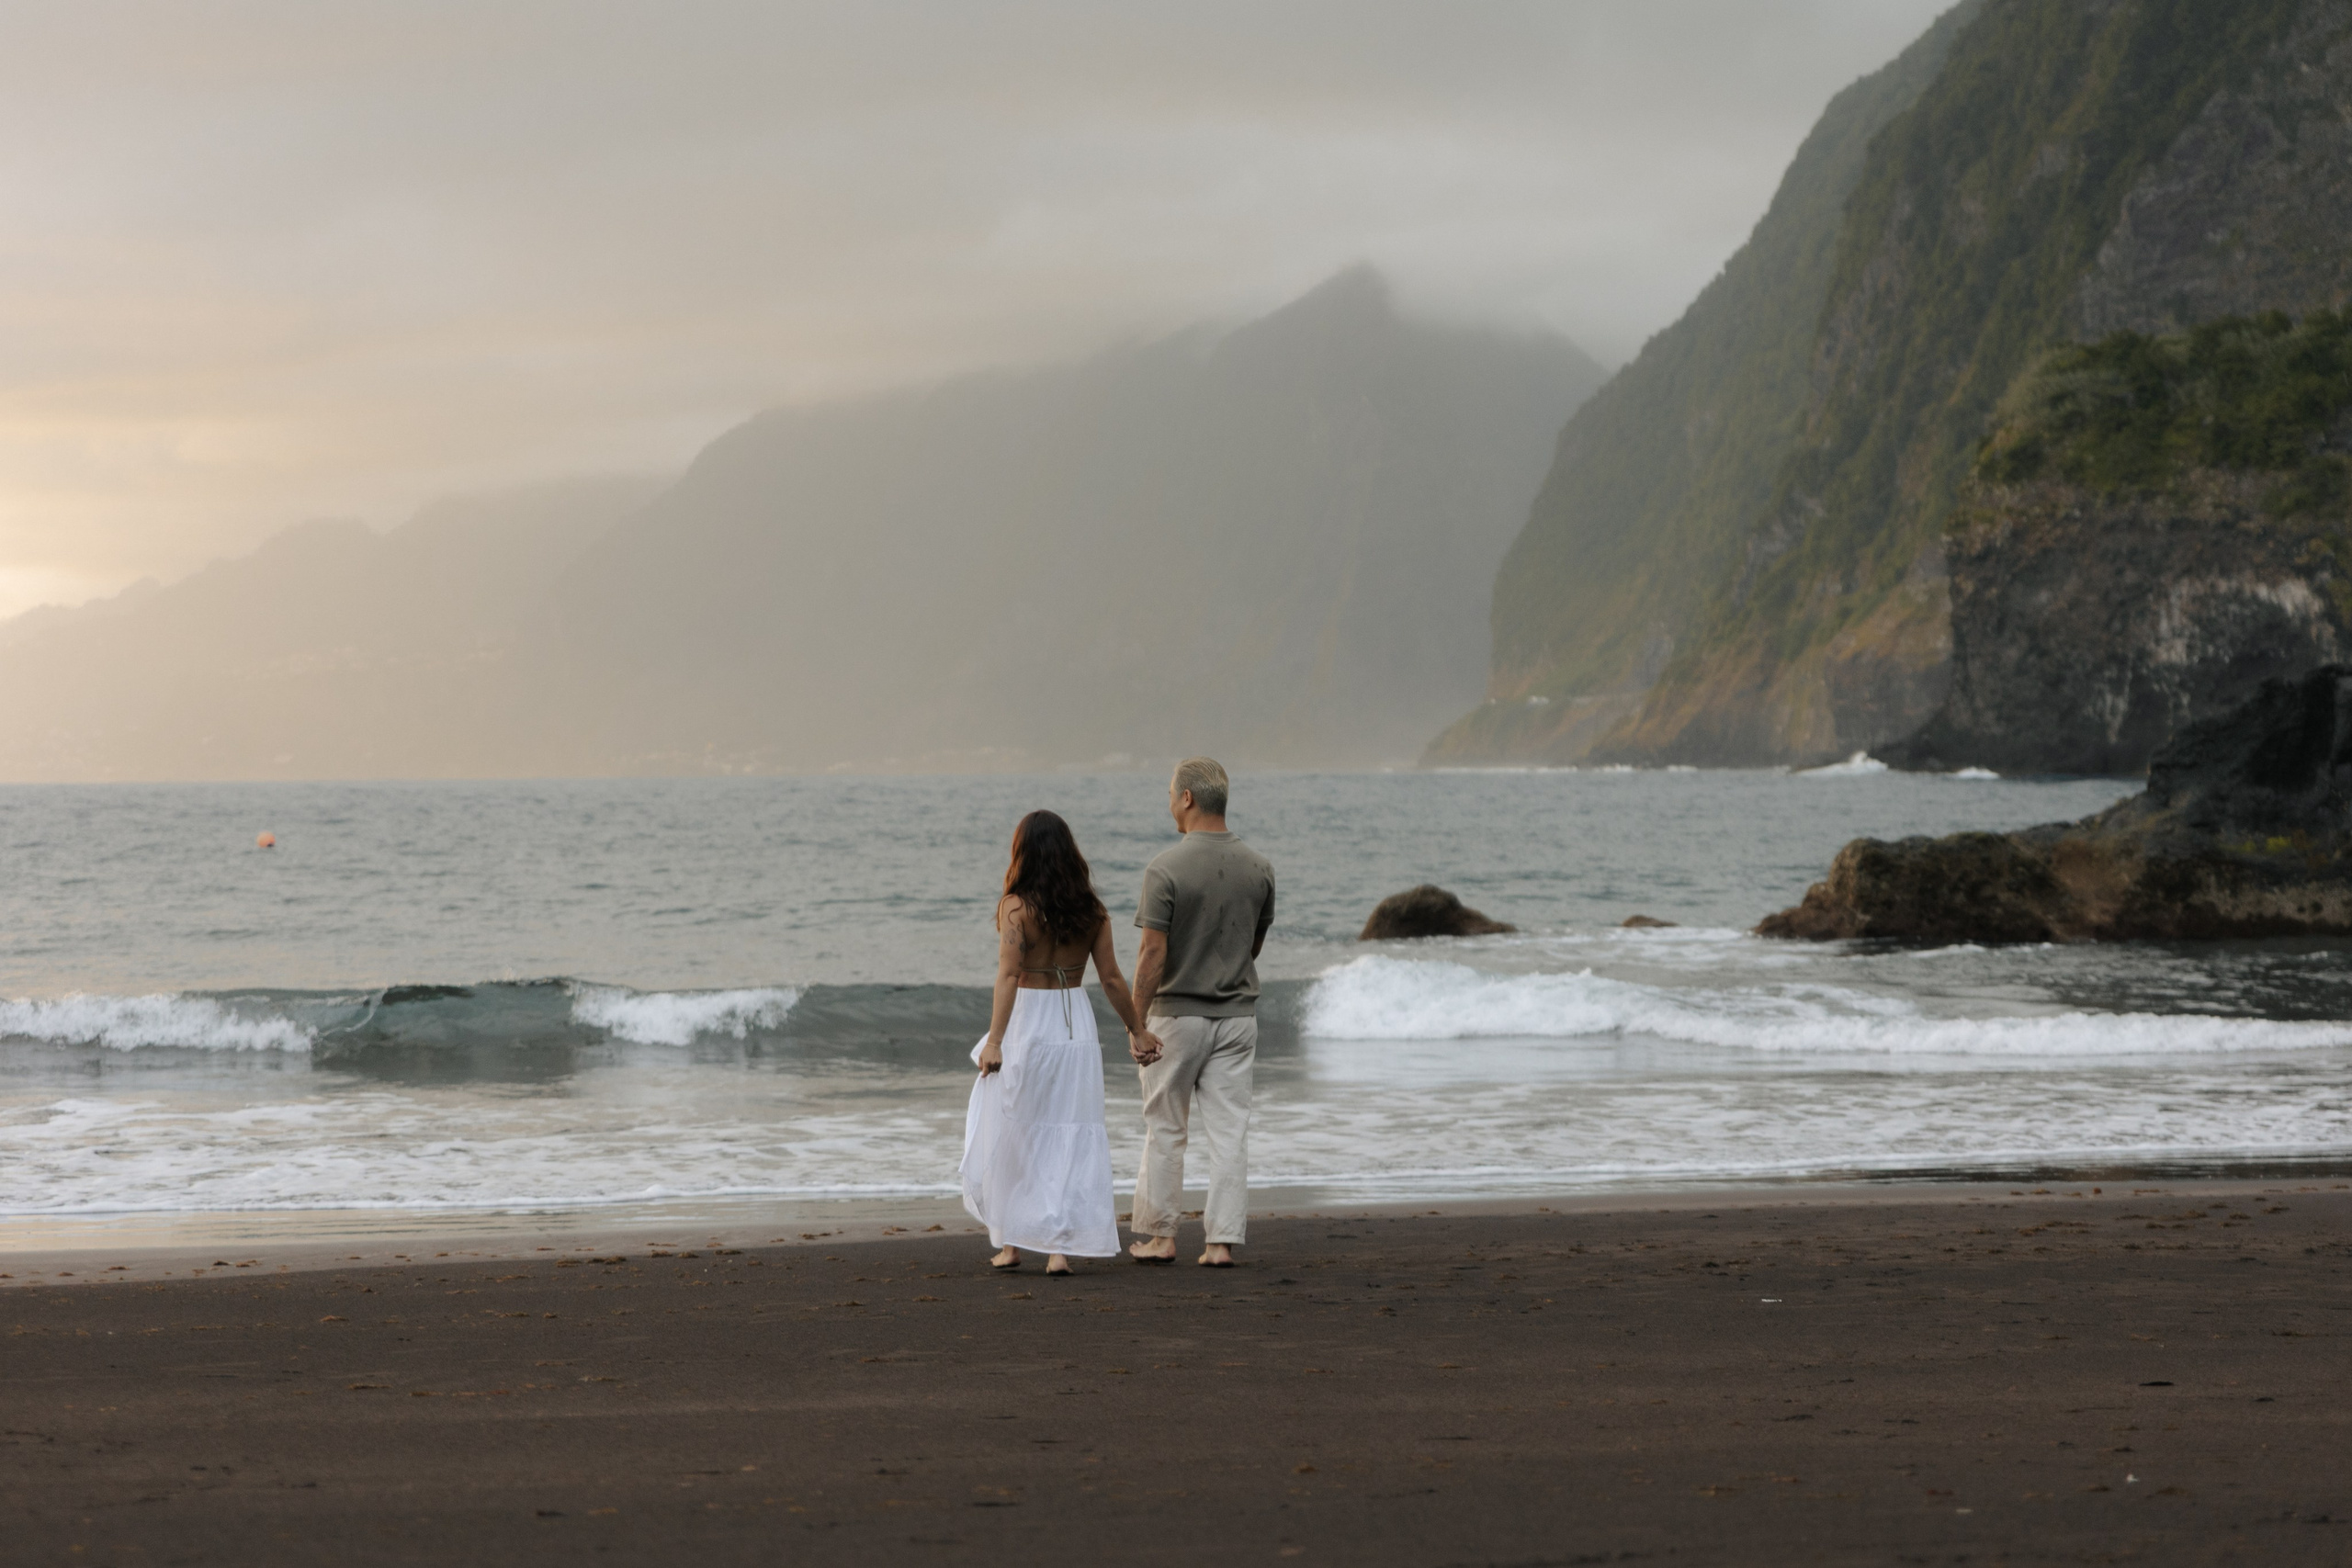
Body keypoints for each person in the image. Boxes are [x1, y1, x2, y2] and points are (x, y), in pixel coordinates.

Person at [961, 809, 1161, 1276]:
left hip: (1028, 1025)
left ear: (1022, 853)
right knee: (1068, 1131)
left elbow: (1008, 976)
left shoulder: (1015, 908)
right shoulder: (1092, 912)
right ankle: (1058, 1250)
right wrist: (1137, 1029)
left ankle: (1011, 1245)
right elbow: (1111, 979)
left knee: (1014, 1127)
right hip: (1074, 1028)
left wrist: (995, 1041)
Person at [1125, 758, 1275, 1269]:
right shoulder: (1259, 867)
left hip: (1176, 1018)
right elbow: (1252, 944)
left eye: (1171, 794)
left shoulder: (1164, 868)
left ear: (1187, 798)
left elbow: (1152, 955)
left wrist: (1136, 1022)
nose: (1169, 802)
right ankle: (1221, 1242)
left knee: (1166, 1127)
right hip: (1238, 1017)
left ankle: (1160, 1236)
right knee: (1230, 1131)